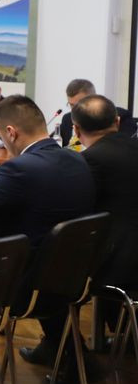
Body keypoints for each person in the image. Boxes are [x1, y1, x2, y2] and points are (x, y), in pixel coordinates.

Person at [0, 95, 97, 383]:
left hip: (21, 285)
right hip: (68, 278)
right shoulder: (76, 160)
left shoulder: (19, 169)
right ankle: (66, 353)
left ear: (11, 132)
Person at [71, 95, 138, 351]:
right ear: (117, 122)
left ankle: (64, 351)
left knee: (55, 269)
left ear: (76, 130)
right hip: (129, 257)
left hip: (120, 266)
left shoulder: (91, 160)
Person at [53, 78, 95, 145]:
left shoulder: (104, 122)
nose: (75, 110)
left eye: (79, 105)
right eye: (71, 105)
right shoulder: (67, 119)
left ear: (93, 100)